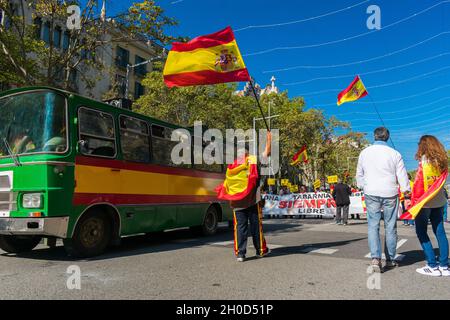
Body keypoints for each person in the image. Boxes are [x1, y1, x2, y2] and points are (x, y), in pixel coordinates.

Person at [356, 127, 410, 273]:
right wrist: (406, 194)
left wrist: (363, 186)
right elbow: (402, 176)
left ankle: (375, 259)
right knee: (390, 226)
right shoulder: (395, 154)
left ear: (374, 137)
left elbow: (359, 175)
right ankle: (391, 259)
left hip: (371, 192)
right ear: (387, 137)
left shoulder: (364, 152)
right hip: (390, 193)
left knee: (373, 226)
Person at [216, 132, 272, 262]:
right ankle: (261, 251)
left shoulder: (233, 165)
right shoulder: (253, 161)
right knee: (256, 226)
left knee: (240, 227)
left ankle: (240, 254)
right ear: (248, 153)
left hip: (236, 202)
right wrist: (269, 139)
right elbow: (267, 152)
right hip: (253, 200)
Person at [409, 135, 449, 277]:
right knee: (440, 232)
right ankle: (444, 265)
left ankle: (432, 265)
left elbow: (419, 184)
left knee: (421, 232)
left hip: (424, 203)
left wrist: (414, 201)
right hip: (439, 201)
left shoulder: (424, 161)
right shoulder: (442, 161)